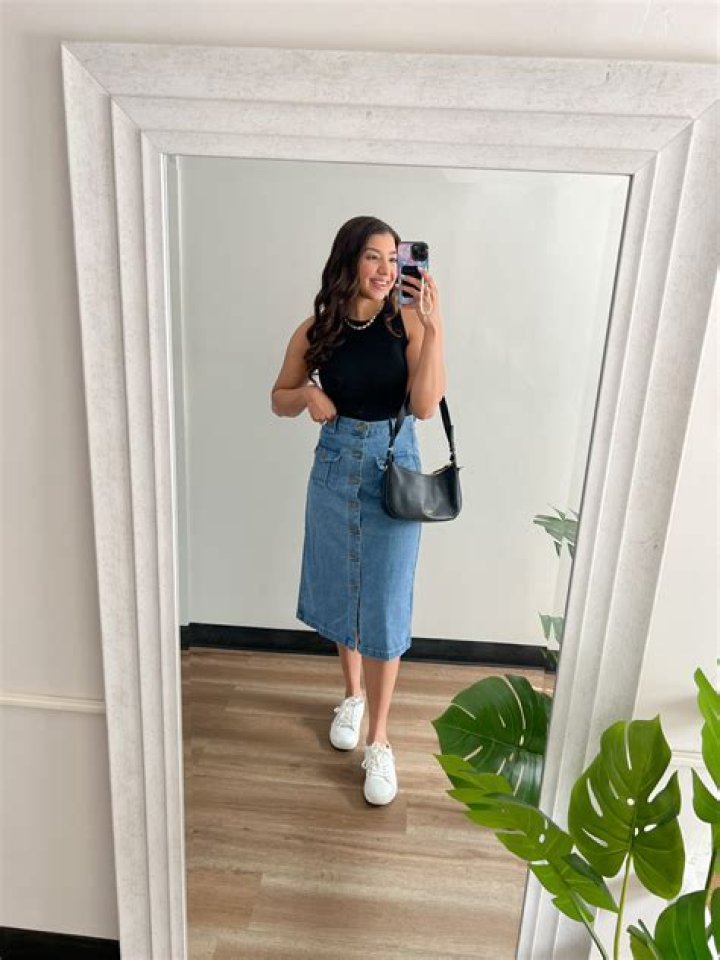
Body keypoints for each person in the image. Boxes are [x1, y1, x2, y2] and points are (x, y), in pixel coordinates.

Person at [271, 216, 446, 805]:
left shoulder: (408, 323)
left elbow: (425, 406)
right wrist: (308, 394)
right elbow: (278, 398)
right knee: (344, 589)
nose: (386, 270)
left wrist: (434, 328)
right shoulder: (319, 327)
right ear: (349, 260)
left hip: (392, 470)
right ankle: (352, 695)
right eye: (374, 257)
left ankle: (380, 739)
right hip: (334, 466)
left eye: (394, 259)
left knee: (385, 604)